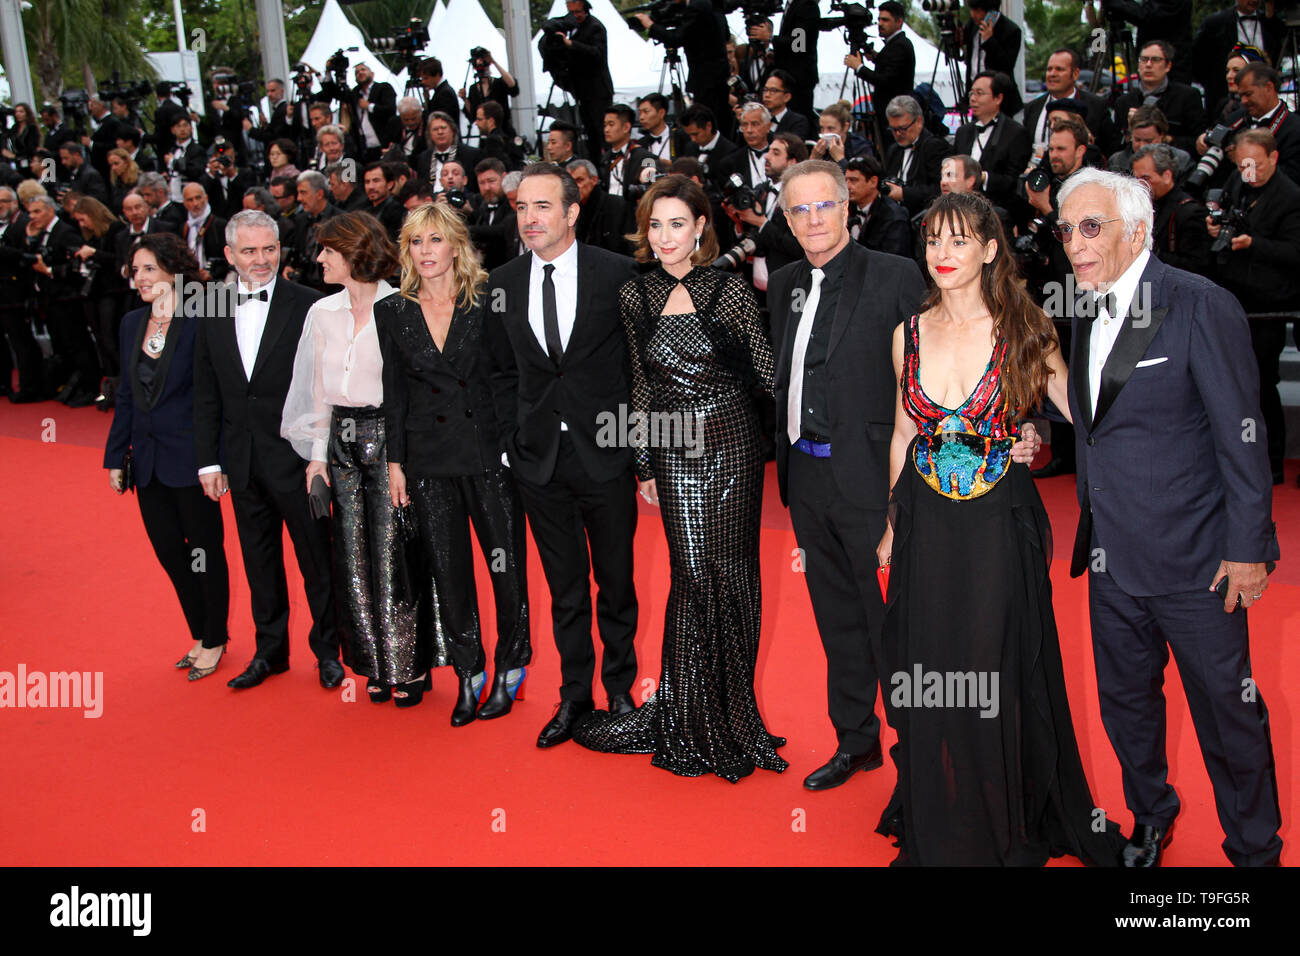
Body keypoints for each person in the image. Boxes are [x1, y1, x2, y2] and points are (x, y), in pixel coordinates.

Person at [874, 190, 1125, 865]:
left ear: (990, 249)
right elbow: (903, 432)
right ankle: (945, 807)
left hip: (998, 519)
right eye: (934, 241)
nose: (944, 254)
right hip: (925, 519)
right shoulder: (910, 332)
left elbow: (1077, 406)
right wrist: (892, 522)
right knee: (929, 663)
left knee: (993, 661)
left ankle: (1003, 812)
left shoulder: (1026, 327)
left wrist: (1042, 431)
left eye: (960, 240)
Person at [1058, 167, 1282, 867]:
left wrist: (1249, 547)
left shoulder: (1195, 303)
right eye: (1066, 229)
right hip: (1110, 560)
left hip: (1197, 562)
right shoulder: (1083, 309)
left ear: (1137, 229)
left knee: (1228, 713)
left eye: (1091, 227)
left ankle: (1254, 848)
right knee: (1127, 707)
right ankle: (1151, 817)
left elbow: (1241, 432)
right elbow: (1098, 427)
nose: (1073, 243)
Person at [572, 175, 786, 781]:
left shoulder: (730, 292)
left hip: (731, 443)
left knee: (734, 575)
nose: (665, 237)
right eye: (656, 225)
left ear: (699, 229)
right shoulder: (635, 295)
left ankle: (730, 714)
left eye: (677, 224)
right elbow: (641, 382)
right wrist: (641, 459)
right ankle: (690, 713)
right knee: (692, 575)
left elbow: (766, 374)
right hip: (672, 449)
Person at [767, 160, 927, 790]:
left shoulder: (895, 275)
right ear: (786, 219)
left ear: (848, 207)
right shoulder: (782, 284)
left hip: (874, 478)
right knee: (835, 617)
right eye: (799, 210)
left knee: (892, 623)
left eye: (824, 206)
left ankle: (916, 758)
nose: (813, 220)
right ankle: (856, 740)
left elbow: (928, 369)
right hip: (806, 478)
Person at [481, 163, 640, 748]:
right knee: (565, 586)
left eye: (543, 207)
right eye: (522, 207)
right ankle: (575, 696)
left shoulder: (619, 275)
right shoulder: (499, 284)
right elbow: (498, 371)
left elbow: (637, 367)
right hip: (537, 459)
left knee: (616, 582)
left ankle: (621, 688)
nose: (530, 218)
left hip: (606, 454)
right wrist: (509, 441)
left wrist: (635, 445)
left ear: (572, 213)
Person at [378, 201, 532, 723]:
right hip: (427, 458)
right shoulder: (393, 310)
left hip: (488, 453)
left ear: (456, 245)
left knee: (505, 565)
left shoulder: (487, 299)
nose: (425, 252)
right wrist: (396, 463)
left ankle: (511, 665)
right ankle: (468, 671)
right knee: (449, 571)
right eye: (416, 242)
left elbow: (509, 376)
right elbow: (393, 392)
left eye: (435, 240)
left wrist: (511, 443)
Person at [279, 211, 426, 704]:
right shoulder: (320, 314)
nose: (318, 258)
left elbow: (414, 392)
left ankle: (407, 664)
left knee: (393, 553)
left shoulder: (404, 308)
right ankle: (374, 664)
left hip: (390, 441)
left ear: (354, 252)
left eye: (327, 250)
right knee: (352, 555)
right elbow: (318, 393)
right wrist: (316, 460)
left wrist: (400, 457)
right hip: (340, 441)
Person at [192, 209, 343, 691]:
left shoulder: (310, 302)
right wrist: (209, 460)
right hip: (240, 459)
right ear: (230, 254)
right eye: (251, 251)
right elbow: (204, 387)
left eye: (270, 249)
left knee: (317, 561)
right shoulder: (209, 303)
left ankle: (328, 653)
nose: (262, 260)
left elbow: (326, 386)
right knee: (259, 562)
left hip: (298, 459)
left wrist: (320, 453)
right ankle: (270, 652)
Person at [104, 233, 231, 679]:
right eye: (135, 270)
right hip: (149, 460)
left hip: (192, 459)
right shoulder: (131, 323)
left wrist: (213, 460)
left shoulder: (202, 319)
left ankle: (215, 637)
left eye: (149, 269)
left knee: (204, 550)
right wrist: (116, 456)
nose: (139, 278)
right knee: (169, 553)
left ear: (174, 272)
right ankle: (198, 632)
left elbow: (213, 395)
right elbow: (126, 394)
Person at [1204, 129, 1300, 487]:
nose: (1248, 171)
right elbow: (1225, 211)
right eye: (1242, 163)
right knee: (1230, 384)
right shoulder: (1238, 181)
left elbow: (1294, 253)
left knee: (1261, 384)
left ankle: (1271, 461)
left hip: (1268, 305)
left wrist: (1253, 243)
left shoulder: (1290, 197)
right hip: (1234, 296)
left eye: (1255, 164)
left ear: (1274, 158)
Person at [845, 2, 915, 125]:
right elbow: (892, 68)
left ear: (899, 22)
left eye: (885, 20)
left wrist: (859, 67)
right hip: (891, 112)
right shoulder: (895, 44)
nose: (880, 24)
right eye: (879, 19)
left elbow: (885, 80)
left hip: (895, 114)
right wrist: (876, 57)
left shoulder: (900, 45)